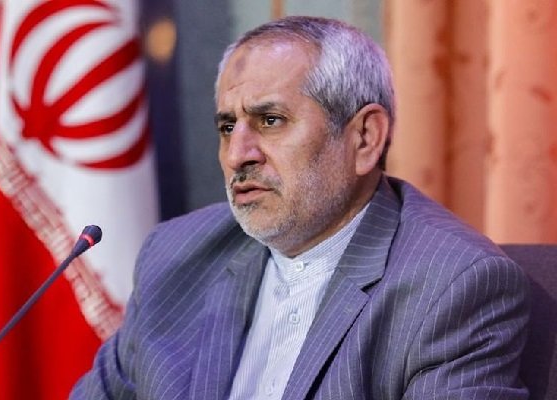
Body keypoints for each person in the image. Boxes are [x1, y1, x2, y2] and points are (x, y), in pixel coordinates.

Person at [71, 16, 529, 399]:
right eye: (228, 127)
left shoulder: (452, 287)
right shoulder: (175, 256)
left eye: (270, 121)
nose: (237, 155)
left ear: (364, 138)